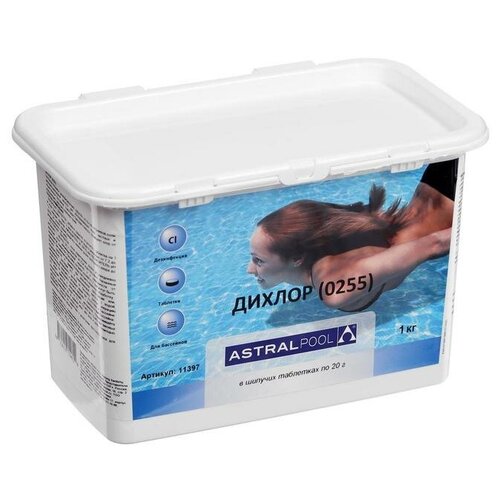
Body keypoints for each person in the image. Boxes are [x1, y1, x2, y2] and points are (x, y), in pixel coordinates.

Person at [247, 160, 457, 312]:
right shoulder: (322, 246)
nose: (250, 269)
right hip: (435, 184)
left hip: (452, 197)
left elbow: (435, 243)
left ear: (296, 258)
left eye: (258, 260)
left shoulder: (334, 288)